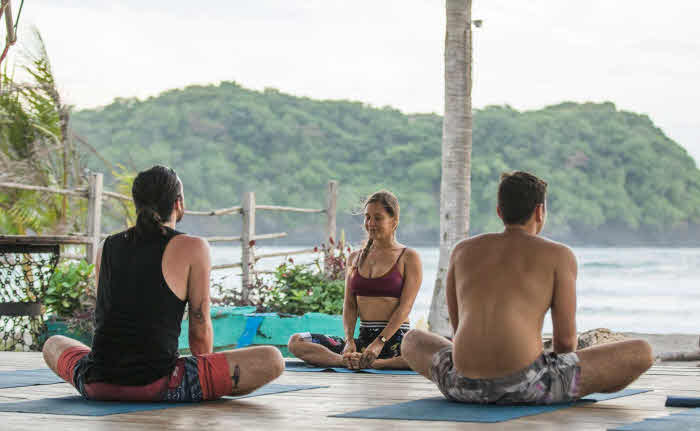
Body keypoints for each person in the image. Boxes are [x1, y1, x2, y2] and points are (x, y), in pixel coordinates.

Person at [401, 171, 653, 404]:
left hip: (461, 385)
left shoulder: (462, 251)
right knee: (642, 351)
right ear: (540, 211)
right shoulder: (559, 255)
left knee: (412, 339)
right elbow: (565, 344)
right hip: (529, 387)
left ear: (500, 211)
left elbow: (458, 333)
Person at [43, 165, 284, 402]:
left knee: (53, 344)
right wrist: (204, 374)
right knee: (272, 359)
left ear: (137, 204)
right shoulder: (193, 247)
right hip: (160, 384)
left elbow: (107, 318)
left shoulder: (105, 247)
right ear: (178, 203)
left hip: (96, 382)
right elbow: (199, 324)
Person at [288, 190, 423, 370]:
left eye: (378, 218)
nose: (370, 223)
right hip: (363, 342)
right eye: (367, 217)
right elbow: (350, 305)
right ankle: (346, 361)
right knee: (296, 341)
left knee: (422, 353)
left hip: (394, 341)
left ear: (394, 222)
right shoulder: (354, 259)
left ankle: (378, 364)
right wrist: (350, 341)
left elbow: (405, 306)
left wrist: (380, 342)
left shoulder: (409, 257)